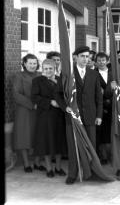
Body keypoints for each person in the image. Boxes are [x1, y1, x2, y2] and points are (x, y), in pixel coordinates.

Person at [55, 46, 103, 184]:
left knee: (91, 146)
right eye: (82, 56)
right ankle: (73, 173)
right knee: (73, 146)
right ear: (75, 57)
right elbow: (57, 94)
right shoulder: (68, 73)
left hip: (90, 116)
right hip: (73, 117)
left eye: (87, 56)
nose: (85, 59)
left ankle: (92, 172)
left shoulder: (93, 73)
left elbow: (98, 97)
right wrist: (65, 107)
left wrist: (99, 116)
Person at [31, 59, 67, 177]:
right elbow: (34, 97)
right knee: (46, 142)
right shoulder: (37, 81)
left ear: (55, 69)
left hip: (58, 116)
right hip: (45, 115)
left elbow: (65, 95)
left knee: (58, 142)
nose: (48, 71)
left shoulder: (60, 80)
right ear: (42, 69)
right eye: (45, 68)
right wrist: (50, 102)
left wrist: (61, 103)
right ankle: (49, 168)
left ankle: (58, 167)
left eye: (50, 68)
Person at [13, 54, 42, 172]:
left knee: (38, 136)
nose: (32, 66)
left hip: (39, 110)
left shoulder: (41, 75)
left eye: (34, 63)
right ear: (24, 63)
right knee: (24, 137)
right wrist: (31, 104)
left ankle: (36, 162)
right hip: (24, 110)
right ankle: (26, 163)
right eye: (30, 63)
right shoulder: (19, 76)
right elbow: (16, 94)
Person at [95, 52, 113, 164]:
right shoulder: (92, 73)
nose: (101, 62)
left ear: (107, 61)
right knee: (100, 132)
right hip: (99, 107)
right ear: (96, 62)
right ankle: (103, 156)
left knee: (111, 131)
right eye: (99, 60)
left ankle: (112, 154)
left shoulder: (113, 73)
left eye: (103, 60)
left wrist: (105, 92)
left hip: (112, 106)